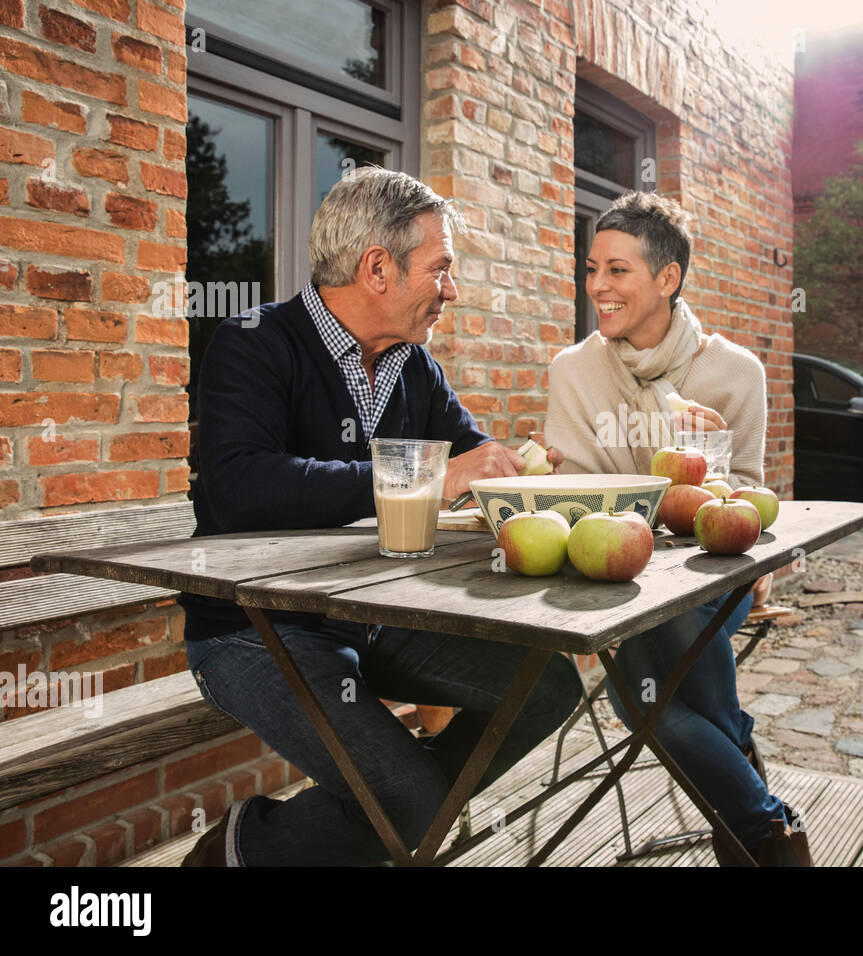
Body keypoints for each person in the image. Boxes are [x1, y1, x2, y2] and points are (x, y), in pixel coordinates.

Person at [179, 168, 582, 866]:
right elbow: (243, 485)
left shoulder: (413, 367)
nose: (451, 290)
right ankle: (249, 850)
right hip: (252, 629)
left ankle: (394, 814)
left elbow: (475, 453)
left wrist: (527, 470)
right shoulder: (254, 341)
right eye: (441, 269)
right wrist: (428, 477)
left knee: (545, 687)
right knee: (411, 804)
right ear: (376, 269)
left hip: (372, 616)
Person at [543, 191, 810, 866]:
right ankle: (764, 823)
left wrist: (711, 466)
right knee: (659, 686)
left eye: (618, 270)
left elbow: (744, 501)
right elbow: (578, 497)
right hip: (617, 579)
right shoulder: (572, 371)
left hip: (706, 577)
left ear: (668, 278)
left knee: (644, 702)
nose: (597, 286)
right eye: (591, 268)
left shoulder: (734, 371)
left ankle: (757, 823)